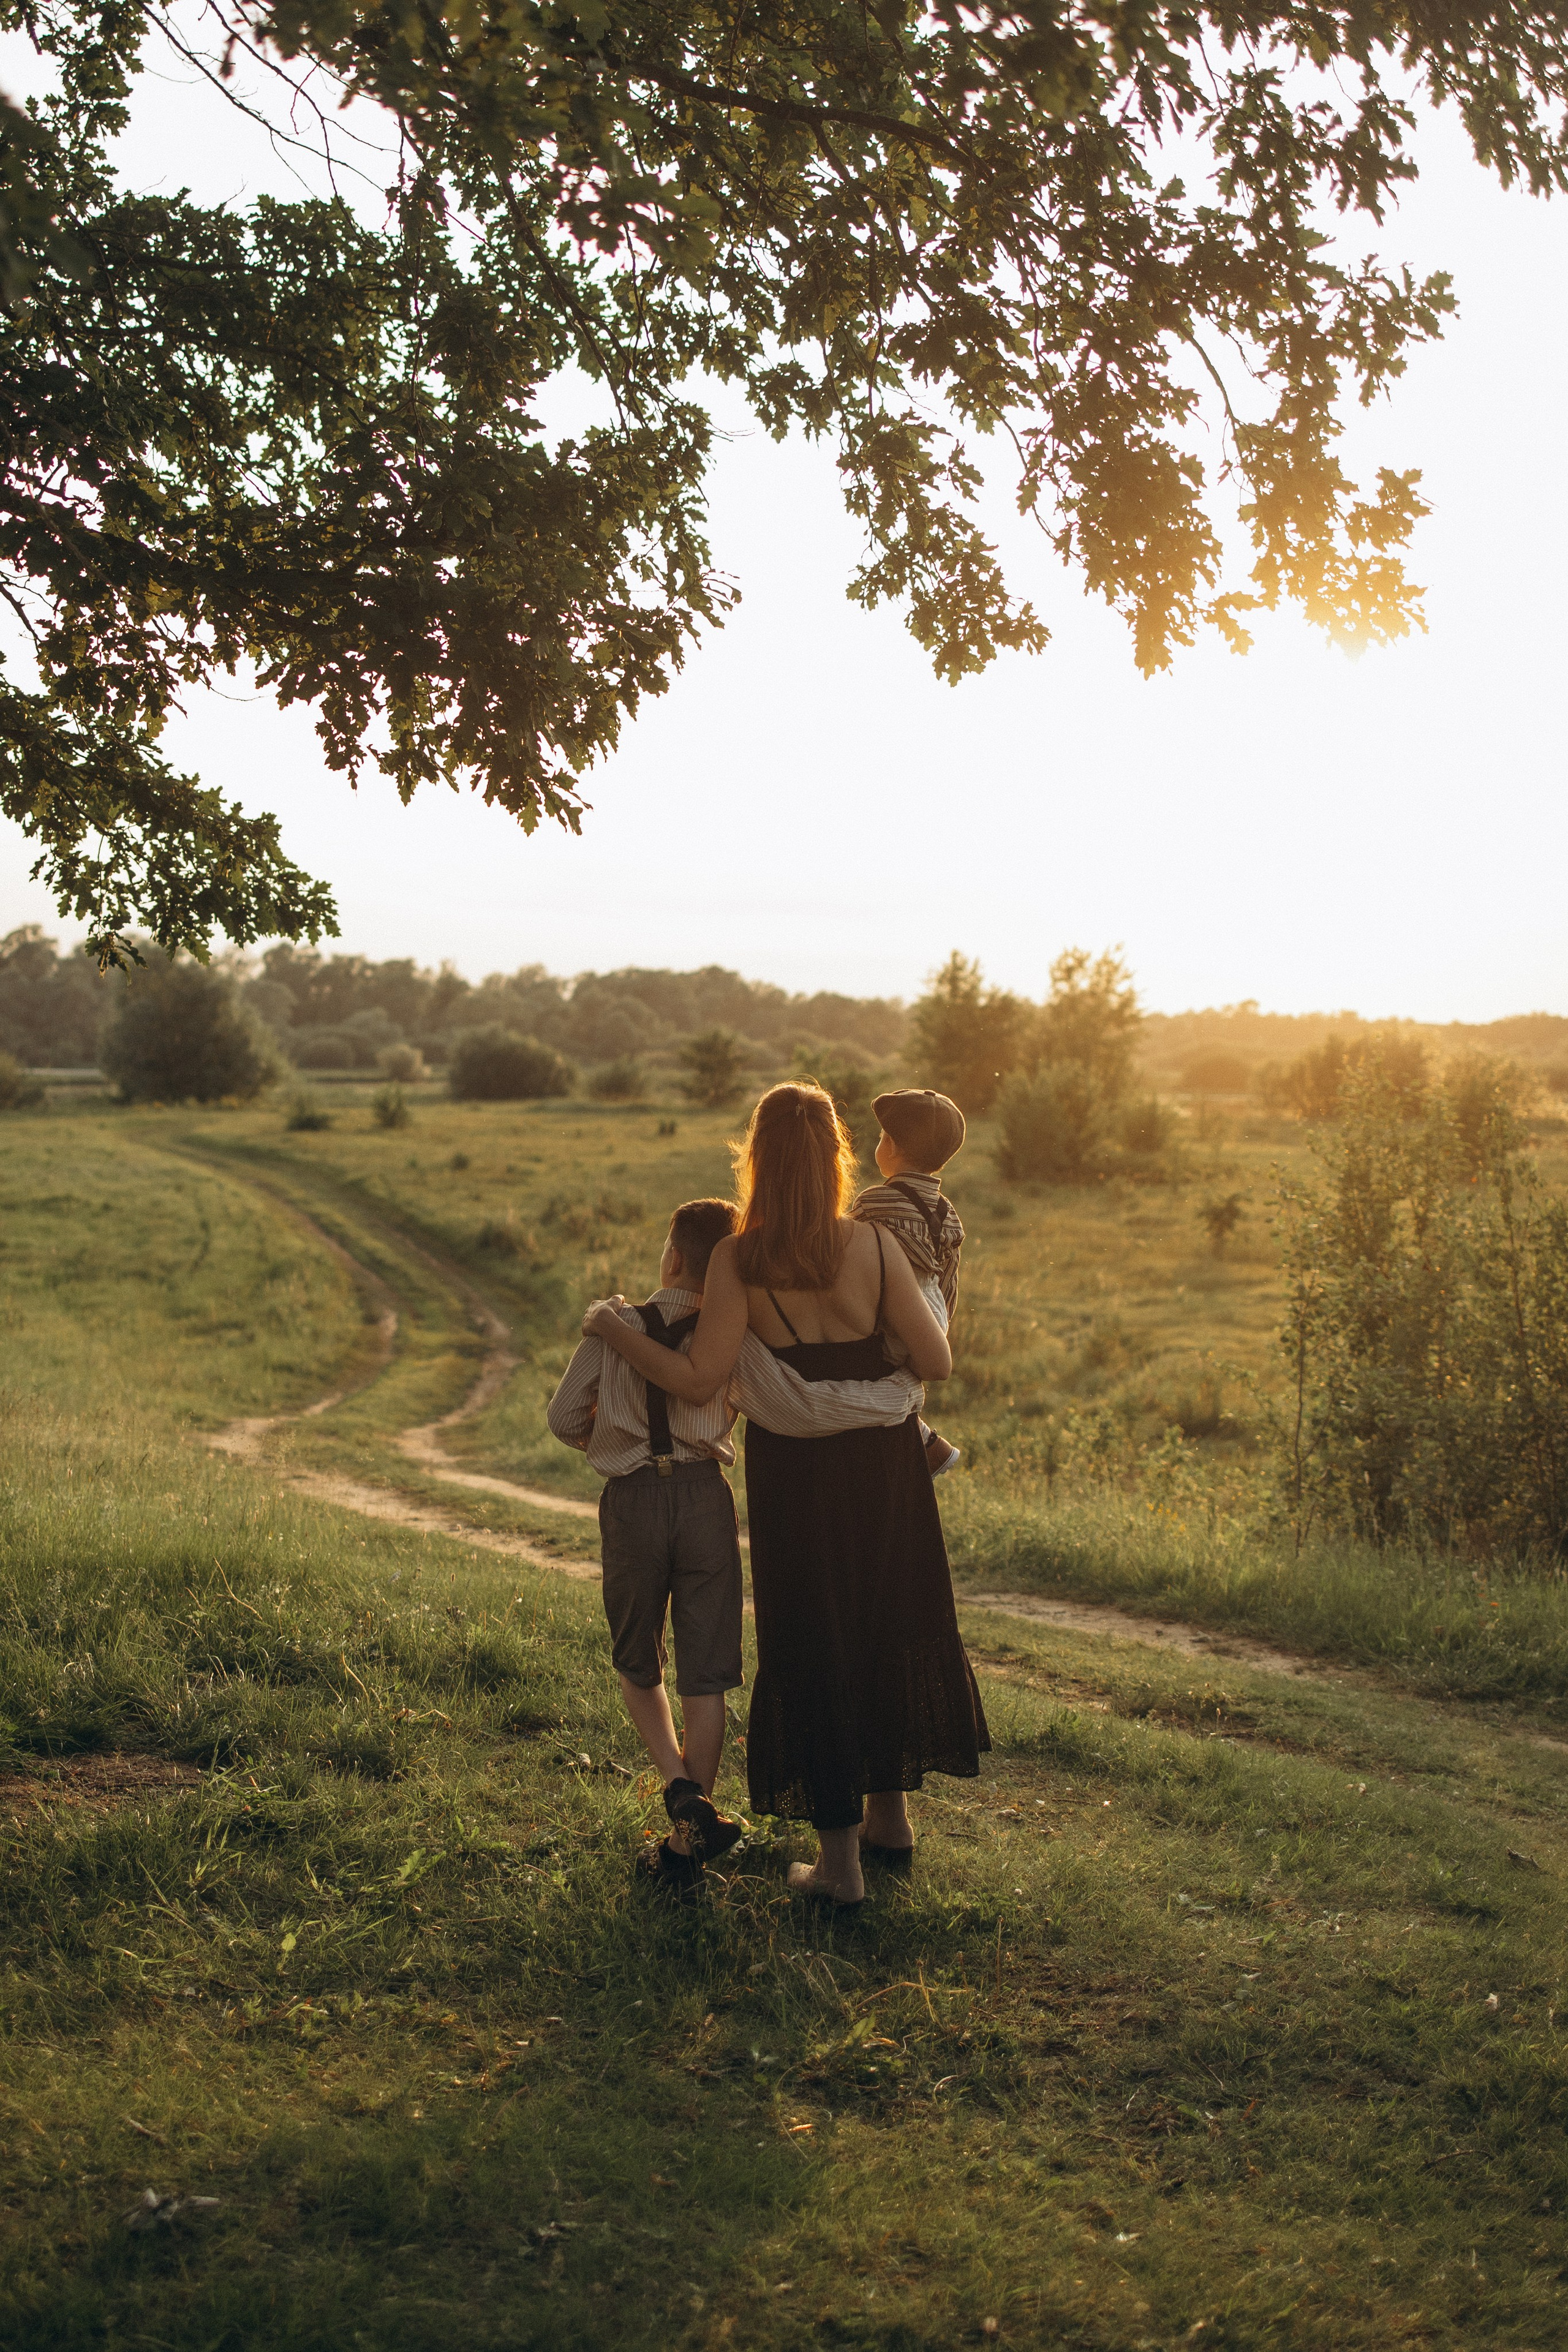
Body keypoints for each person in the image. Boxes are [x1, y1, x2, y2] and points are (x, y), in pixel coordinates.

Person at [582, 1084, 989, 1908]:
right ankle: (890, 1823)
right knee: (882, 1624)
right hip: (882, 1468)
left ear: (758, 1161)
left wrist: (618, 1333)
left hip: (798, 1478)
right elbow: (935, 1361)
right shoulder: (873, 1245)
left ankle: (839, 1869)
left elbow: (701, 1375)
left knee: (817, 1641)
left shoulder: (741, 1256)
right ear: (838, 1158)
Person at [546, 1197, 747, 1896]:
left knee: (640, 1656)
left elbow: (563, 1416)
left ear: (671, 1256)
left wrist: (611, 1440)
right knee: (707, 1671)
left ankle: (679, 1788)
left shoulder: (617, 1326)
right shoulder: (734, 1331)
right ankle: (688, 1840)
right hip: (703, 1499)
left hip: (632, 1500)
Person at [851, 1087, 968, 1478]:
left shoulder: (876, 1202)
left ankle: (922, 1441)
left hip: (897, 1312)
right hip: (932, 1315)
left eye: (883, 1137)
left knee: (860, 1374)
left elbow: (849, 1258)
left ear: (893, 1146)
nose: (879, 1144)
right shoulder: (948, 1213)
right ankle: (925, 1441)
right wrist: (939, 1327)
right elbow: (948, 1282)